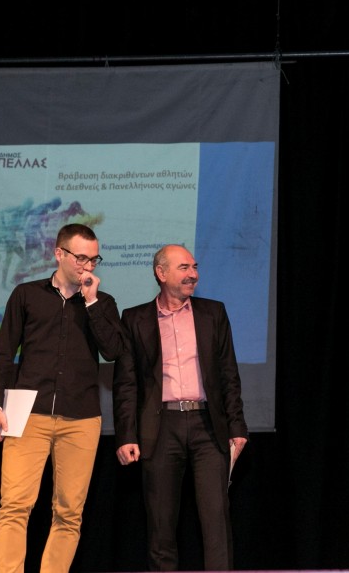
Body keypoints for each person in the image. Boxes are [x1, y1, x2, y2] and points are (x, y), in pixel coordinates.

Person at [0, 223, 127, 573]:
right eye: (81, 258)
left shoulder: (103, 303)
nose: (88, 266)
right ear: (59, 253)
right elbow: (3, 355)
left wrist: (91, 302)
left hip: (81, 419)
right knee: (14, 505)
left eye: (94, 259)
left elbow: (113, 351)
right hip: (26, 414)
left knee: (68, 513)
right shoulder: (26, 295)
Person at [113, 244, 249, 571]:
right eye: (184, 268)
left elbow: (228, 374)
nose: (193, 274)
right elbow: (126, 383)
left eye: (194, 267)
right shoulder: (134, 318)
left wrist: (237, 427)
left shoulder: (213, 313)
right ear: (161, 273)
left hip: (208, 425)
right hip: (160, 427)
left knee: (216, 518)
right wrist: (126, 435)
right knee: (160, 524)